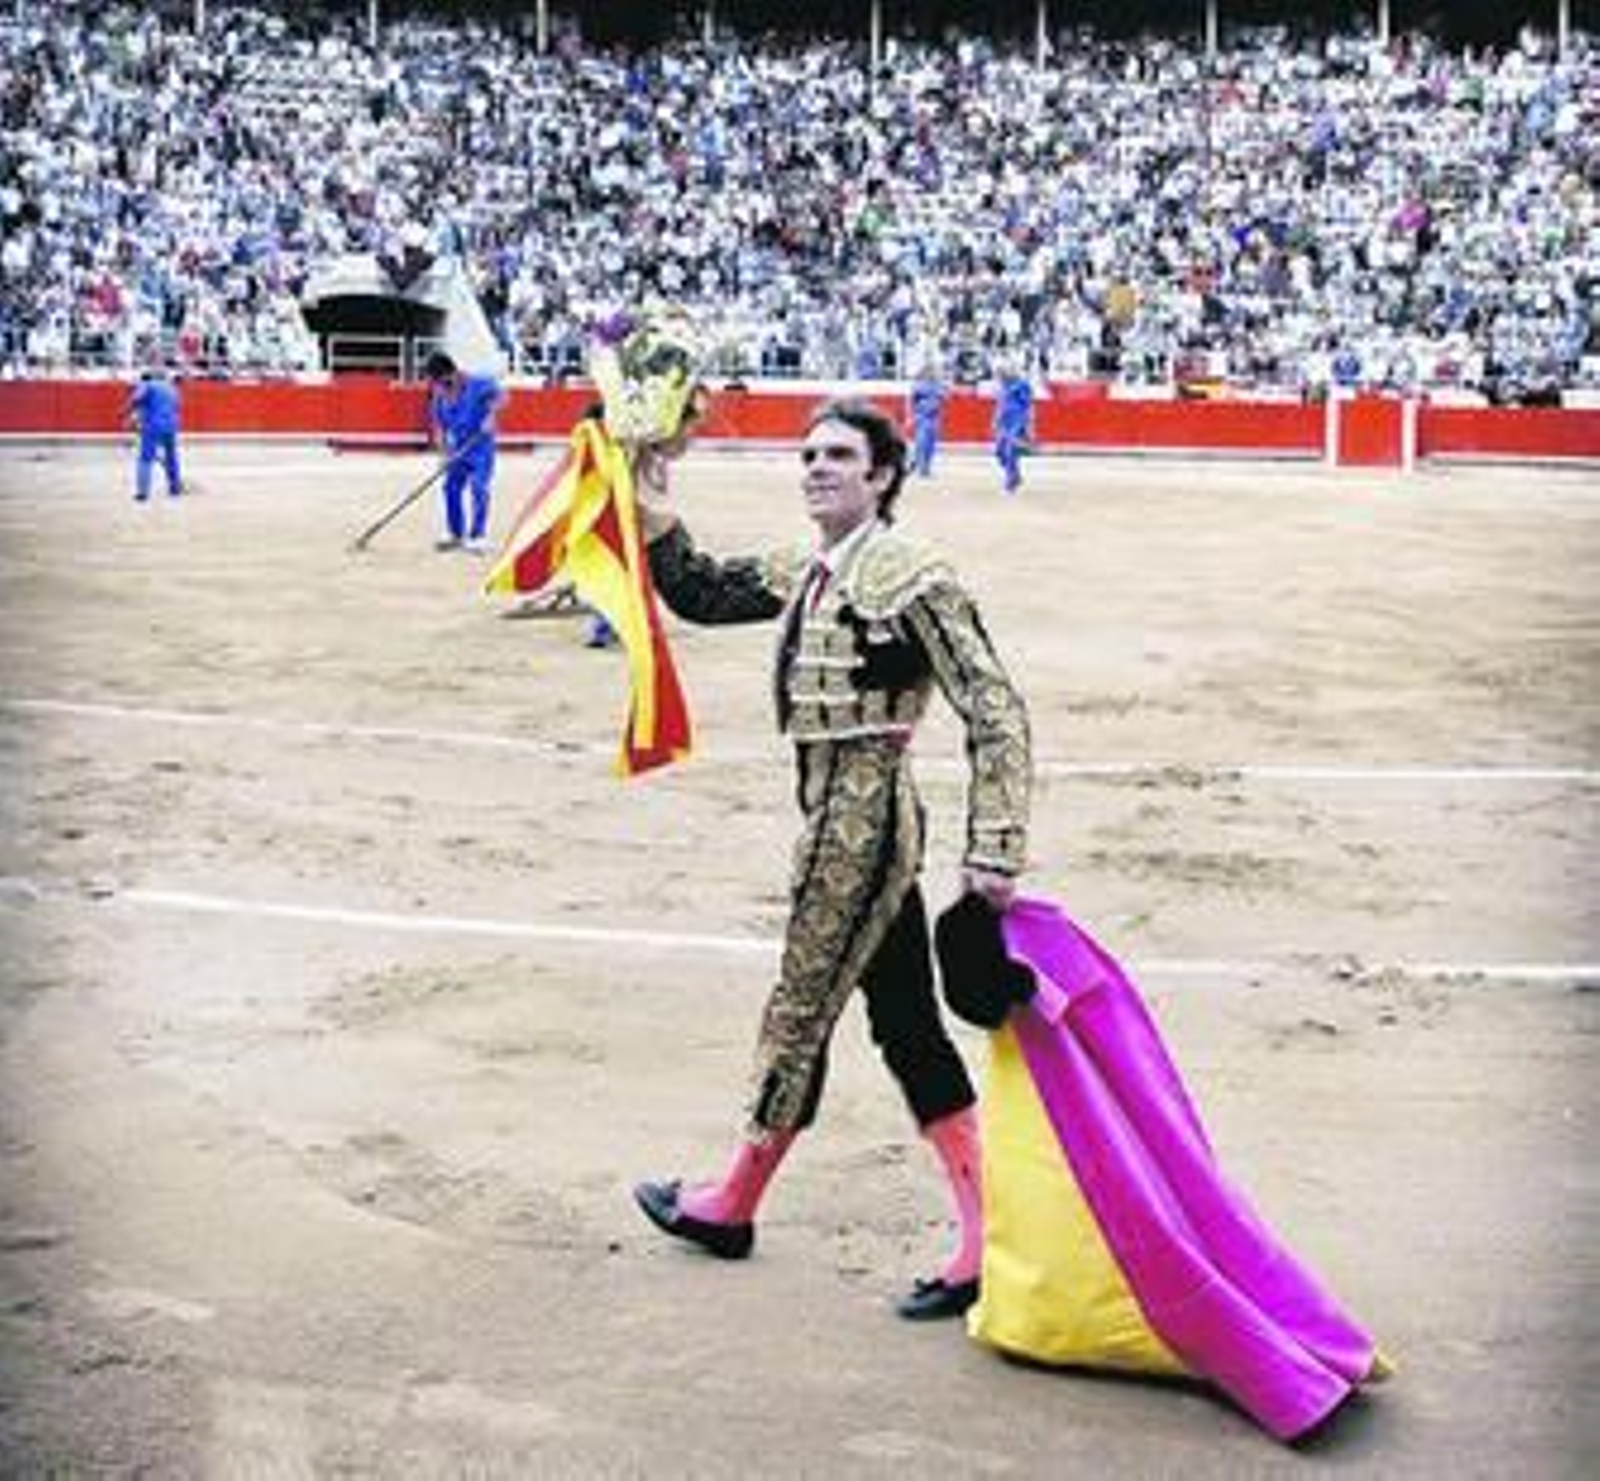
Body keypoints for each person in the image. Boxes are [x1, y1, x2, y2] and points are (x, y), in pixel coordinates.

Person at [632, 397, 1032, 1321]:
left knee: (802, 1000)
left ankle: (733, 1200)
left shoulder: (910, 574)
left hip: (865, 818)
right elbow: (701, 589)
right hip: (831, 809)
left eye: (840, 456)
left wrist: (996, 846)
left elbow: (993, 705)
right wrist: (650, 489)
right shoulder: (812, 565)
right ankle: (983, 1235)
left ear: (883, 475)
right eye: (809, 454)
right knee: (903, 1020)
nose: (816, 467)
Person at [424, 351, 504, 553]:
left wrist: (491, 416)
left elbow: (499, 396)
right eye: (437, 384)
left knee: (479, 487)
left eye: (442, 382)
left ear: (453, 373)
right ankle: (455, 534)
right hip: (457, 449)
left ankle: (478, 536)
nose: (440, 388)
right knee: (450, 487)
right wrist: (443, 456)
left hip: (480, 448)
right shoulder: (438, 395)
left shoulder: (478, 383)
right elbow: (439, 428)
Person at [127, 369, 182, 502]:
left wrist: (132, 412)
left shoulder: (148, 386)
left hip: (152, 426)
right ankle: (174, 487)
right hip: (171, 426)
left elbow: (135, 400)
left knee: (145, 459)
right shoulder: (172, 388)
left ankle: (142, 492)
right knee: (171, 457)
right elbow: (177, 407)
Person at [992, 364, 1033, 494]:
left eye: (1002, 374)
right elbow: (1000, 405)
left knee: (1010, 452)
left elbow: (1028, 406)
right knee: (999, 452)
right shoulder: (1003, 387)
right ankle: (1015, 476)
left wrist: (1027, 426)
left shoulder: (1022, 385)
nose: (1000, 378)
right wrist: (995, 420)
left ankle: (1010, 485)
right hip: (1004, 423)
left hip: (1016, 423)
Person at [908, 363, 946, 478]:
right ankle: (920, 466)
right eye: (931, 371)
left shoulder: (938, 385)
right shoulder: (918, 385)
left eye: (934, 372)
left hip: (934, 417)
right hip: (922, 417)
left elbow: (942, 399)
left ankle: (924, 467)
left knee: (930, 444)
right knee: (922, 443)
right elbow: (911, 402)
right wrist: (912, 416)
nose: (933, 374)